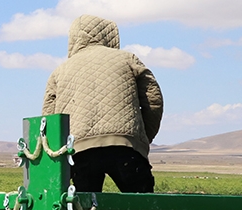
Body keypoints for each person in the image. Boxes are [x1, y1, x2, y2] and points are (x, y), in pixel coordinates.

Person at [42, 14, 163, 193]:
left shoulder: (59, 71)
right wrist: (141, 138)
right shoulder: (128, 59)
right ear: (109, 35)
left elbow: (49, 117)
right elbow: (153, 100)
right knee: (144, 208)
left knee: (86, 209)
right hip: (125, 147)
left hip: (79, 150)